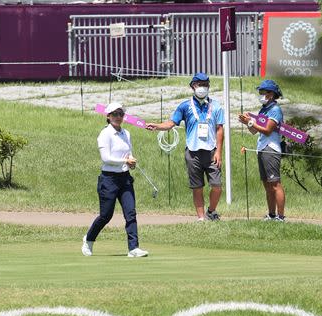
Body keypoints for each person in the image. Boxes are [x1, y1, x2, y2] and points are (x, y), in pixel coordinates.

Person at [147, 73, 224, 222]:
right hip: (193, 152)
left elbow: (219, 129)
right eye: (199, 84)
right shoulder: (185, 106)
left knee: (216, 186)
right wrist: (157, 126)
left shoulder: (216, 106)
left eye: (205, 84)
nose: (202, 87)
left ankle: (211, 211)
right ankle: (201, 218)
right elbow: (171, 124)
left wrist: (219, 151)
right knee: (197, 187)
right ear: (193, 86)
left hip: (211, 152)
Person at [82, 101, 148, 258]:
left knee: (130, 213)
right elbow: (106, 158)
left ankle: (133, 248)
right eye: (115, 114)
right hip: (108, 179)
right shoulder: (105, 134)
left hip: (125, 178)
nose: (118, 117)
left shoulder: (127, 133)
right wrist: (125, 161)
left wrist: (131, 162)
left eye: (121, 114)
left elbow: (128, 153)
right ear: (108, 116)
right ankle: (89, 239)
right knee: (106, 215)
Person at [238, 79, 286, 222]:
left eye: (263, 93)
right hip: (261, 148)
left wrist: (251, 122)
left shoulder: (275, 110)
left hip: (271, 149)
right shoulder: (263, 110)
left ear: (271, 94)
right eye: (260, 92)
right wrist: (247, 122)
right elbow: (254, 131)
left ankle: (281, 216)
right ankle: (271, 214)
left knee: (275, 184)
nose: (260, 95)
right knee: (267, 184)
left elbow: (267, 130)